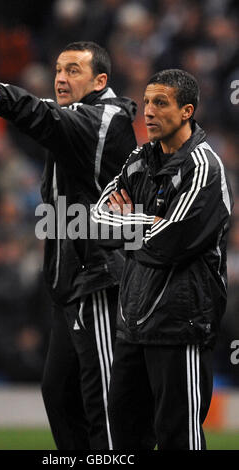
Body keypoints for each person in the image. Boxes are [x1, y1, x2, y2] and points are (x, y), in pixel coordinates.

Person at [0, 41, 137, 450]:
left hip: (103, 278)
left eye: (73, 70)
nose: (60, 77)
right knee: (58, 394)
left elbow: (42, 116)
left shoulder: (107, 120)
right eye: (58, 69)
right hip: (69, 283)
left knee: (104, 401)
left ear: (100, 80)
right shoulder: (73, 120)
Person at [91, 69, 233, 450]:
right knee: (123, 439)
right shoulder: (139, 159)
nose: (149, 111)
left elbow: (169, 243)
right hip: (133, 323)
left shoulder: (205, 168)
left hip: (179, 325)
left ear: (187, 111)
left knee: (178, 439)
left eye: (161, 103)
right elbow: (97, 223)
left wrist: (128, 222)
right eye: (147, 101)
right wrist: (146, 223)